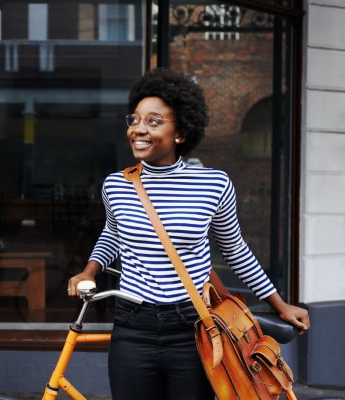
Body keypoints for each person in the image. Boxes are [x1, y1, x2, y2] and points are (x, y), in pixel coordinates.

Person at [68, 68, 310, 400]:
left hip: (192, 328)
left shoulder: (214, 185)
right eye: (135, 119)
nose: (139, 129)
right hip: (132, 326)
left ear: (180, 133)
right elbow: (112, 234)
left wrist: (280, 304)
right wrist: (89, 270)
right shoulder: (117, 184)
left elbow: (235, 250)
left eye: (153, 122)